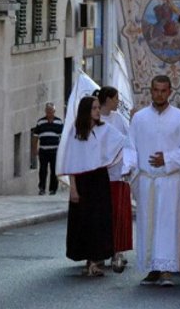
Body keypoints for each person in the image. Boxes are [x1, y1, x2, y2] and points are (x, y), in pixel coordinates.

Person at [122, 75, 180, 287]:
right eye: (156, 90)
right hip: (147, 180)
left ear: (170, 91)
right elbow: (130, 146)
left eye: (164, 90)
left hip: (169, 180)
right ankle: (152, 268)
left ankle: (166, 270)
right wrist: (128, 167)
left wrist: (168, 159)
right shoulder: (139, 118)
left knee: (168, 224)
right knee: (148, 223)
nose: (160, 94)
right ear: (151, 91)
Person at [59, 96, 128, 277]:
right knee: (84, 220)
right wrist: (73, 188)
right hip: (82, 181)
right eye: (94, 108)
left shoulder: (105, 129)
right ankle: (88, 260)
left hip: (99, 179)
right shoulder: (76, 132)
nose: (98, 111)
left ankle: (95, 261)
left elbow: (123, 142)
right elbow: (72, 161)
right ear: (86, 111)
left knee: (100, 220)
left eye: (98, 107)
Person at [95, 87, 132, 273]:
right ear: (108, 99)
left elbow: (128, 140)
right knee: (101, 216)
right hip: (99, 176)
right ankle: (100, 251)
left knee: (118, 215)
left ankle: (118, 251)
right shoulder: (96, 120)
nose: (118, 102)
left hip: (118, 174)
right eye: (116, 98)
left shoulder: (118, 118)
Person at [32, 102, 64, 195]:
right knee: (43, 170)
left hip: (55, 150)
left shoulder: (59, 122)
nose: (49, 113)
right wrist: (34, 148)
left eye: (51, 111)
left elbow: (62, 137)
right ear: (45, 111)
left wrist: (62, 150)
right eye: (48, 111)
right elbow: (35, 136)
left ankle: (53, 189)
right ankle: (42, 188)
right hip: (43, 150)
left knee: (54, 170)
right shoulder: (40, 122)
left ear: (54, 111)